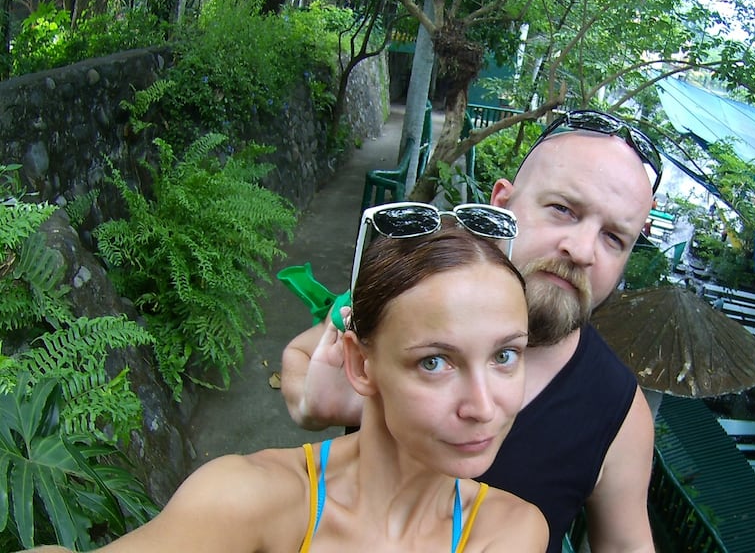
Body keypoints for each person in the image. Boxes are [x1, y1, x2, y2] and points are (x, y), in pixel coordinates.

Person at [24, 221, 547, 553]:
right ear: (361, 365)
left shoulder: (510, 533)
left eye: (505, 356)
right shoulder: (251, 502)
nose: (483, 406)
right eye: (435, 362)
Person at [282, 109, 661, 553]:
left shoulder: (619, 411)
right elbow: (302, 355)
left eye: (614, 238)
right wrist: (309, 406)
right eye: (563, 210)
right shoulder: (416, 293)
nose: (582, 250)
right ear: (502, 203)